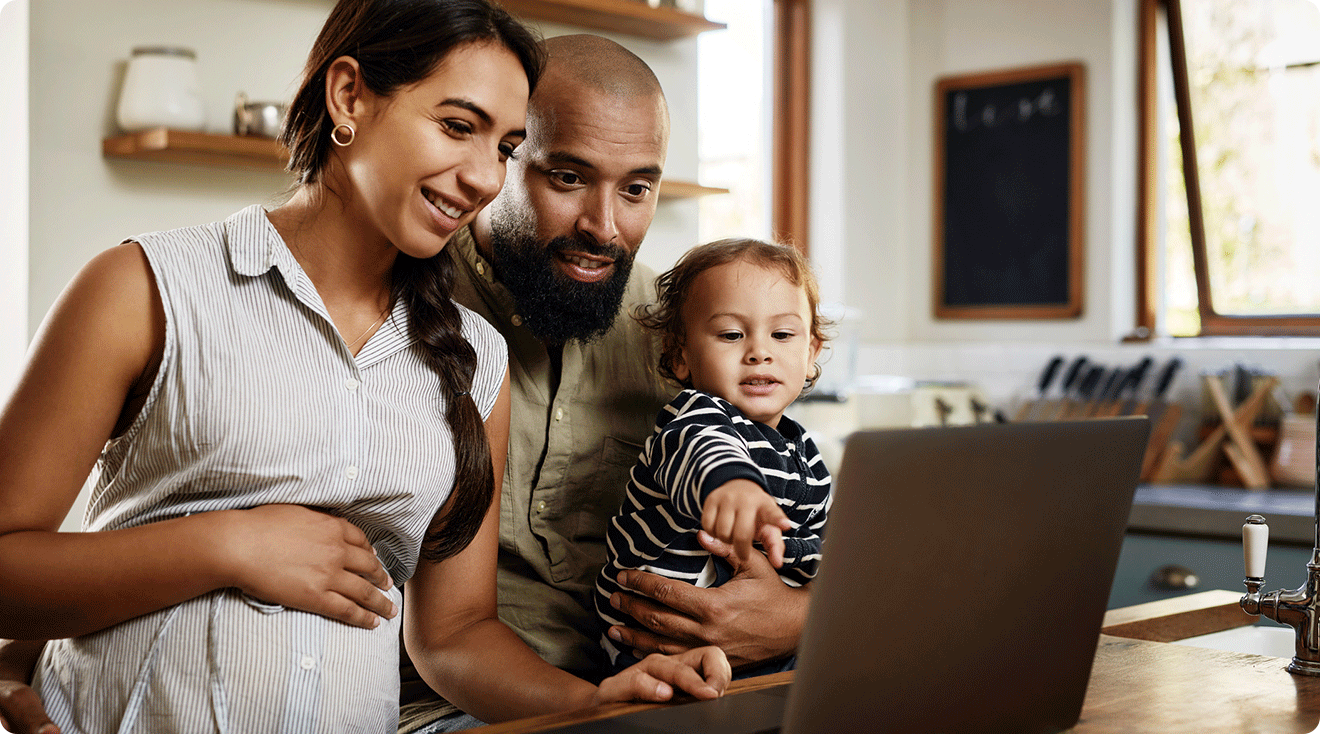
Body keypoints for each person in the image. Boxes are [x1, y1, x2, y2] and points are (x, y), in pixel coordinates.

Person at [0, 2, 728, 732]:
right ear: (349, 96)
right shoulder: (143, 289)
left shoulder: (476, 360)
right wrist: (227, 544)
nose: (483, 176)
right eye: (457, 126)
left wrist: (595, 704)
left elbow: (453, 635)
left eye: (505, 147)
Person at [398, 35, 817, 733]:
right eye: (567, 177)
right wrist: (607, 705)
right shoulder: (410, 318)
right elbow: (446, 637)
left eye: (636, 189)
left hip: (670, 697)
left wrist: (794, 619)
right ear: (502, 158)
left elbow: (787, 513)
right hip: (460, 710)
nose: (604, 227)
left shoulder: (682, 329)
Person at [594, 238, 833, 678]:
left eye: (782, 335)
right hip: (655, 652)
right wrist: (733, 485)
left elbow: (824, 540)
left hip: (766, 649)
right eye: (731, 335)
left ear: (811, 353)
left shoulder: (806, 455)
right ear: (680, 356)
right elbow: (704, 450)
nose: (759, 352)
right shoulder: (693, 416)